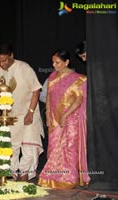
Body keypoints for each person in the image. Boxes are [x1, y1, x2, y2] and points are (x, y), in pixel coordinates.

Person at [0, 43, 44, 181]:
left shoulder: (24, 68)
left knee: (29, 147)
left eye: (4, 60)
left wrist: (30, 112)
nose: (1, 63)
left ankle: (24, 175)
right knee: (10, 147)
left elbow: (36, 89)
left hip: (29, 113)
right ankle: (11, 176)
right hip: (10, 117)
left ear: (11, 56)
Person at [38, 50, 90, 189]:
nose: (54, 65)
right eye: (53, 62)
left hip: (71, 119)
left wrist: (66, 116)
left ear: (66, 62)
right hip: (54, 119)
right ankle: (53, 177)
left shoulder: (79, 79)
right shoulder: (52, 77)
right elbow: (48, 97)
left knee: (69, 149)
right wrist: (48, 114)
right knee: (53, 148)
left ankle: (68, 178)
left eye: (58, 62)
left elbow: (79, 100)